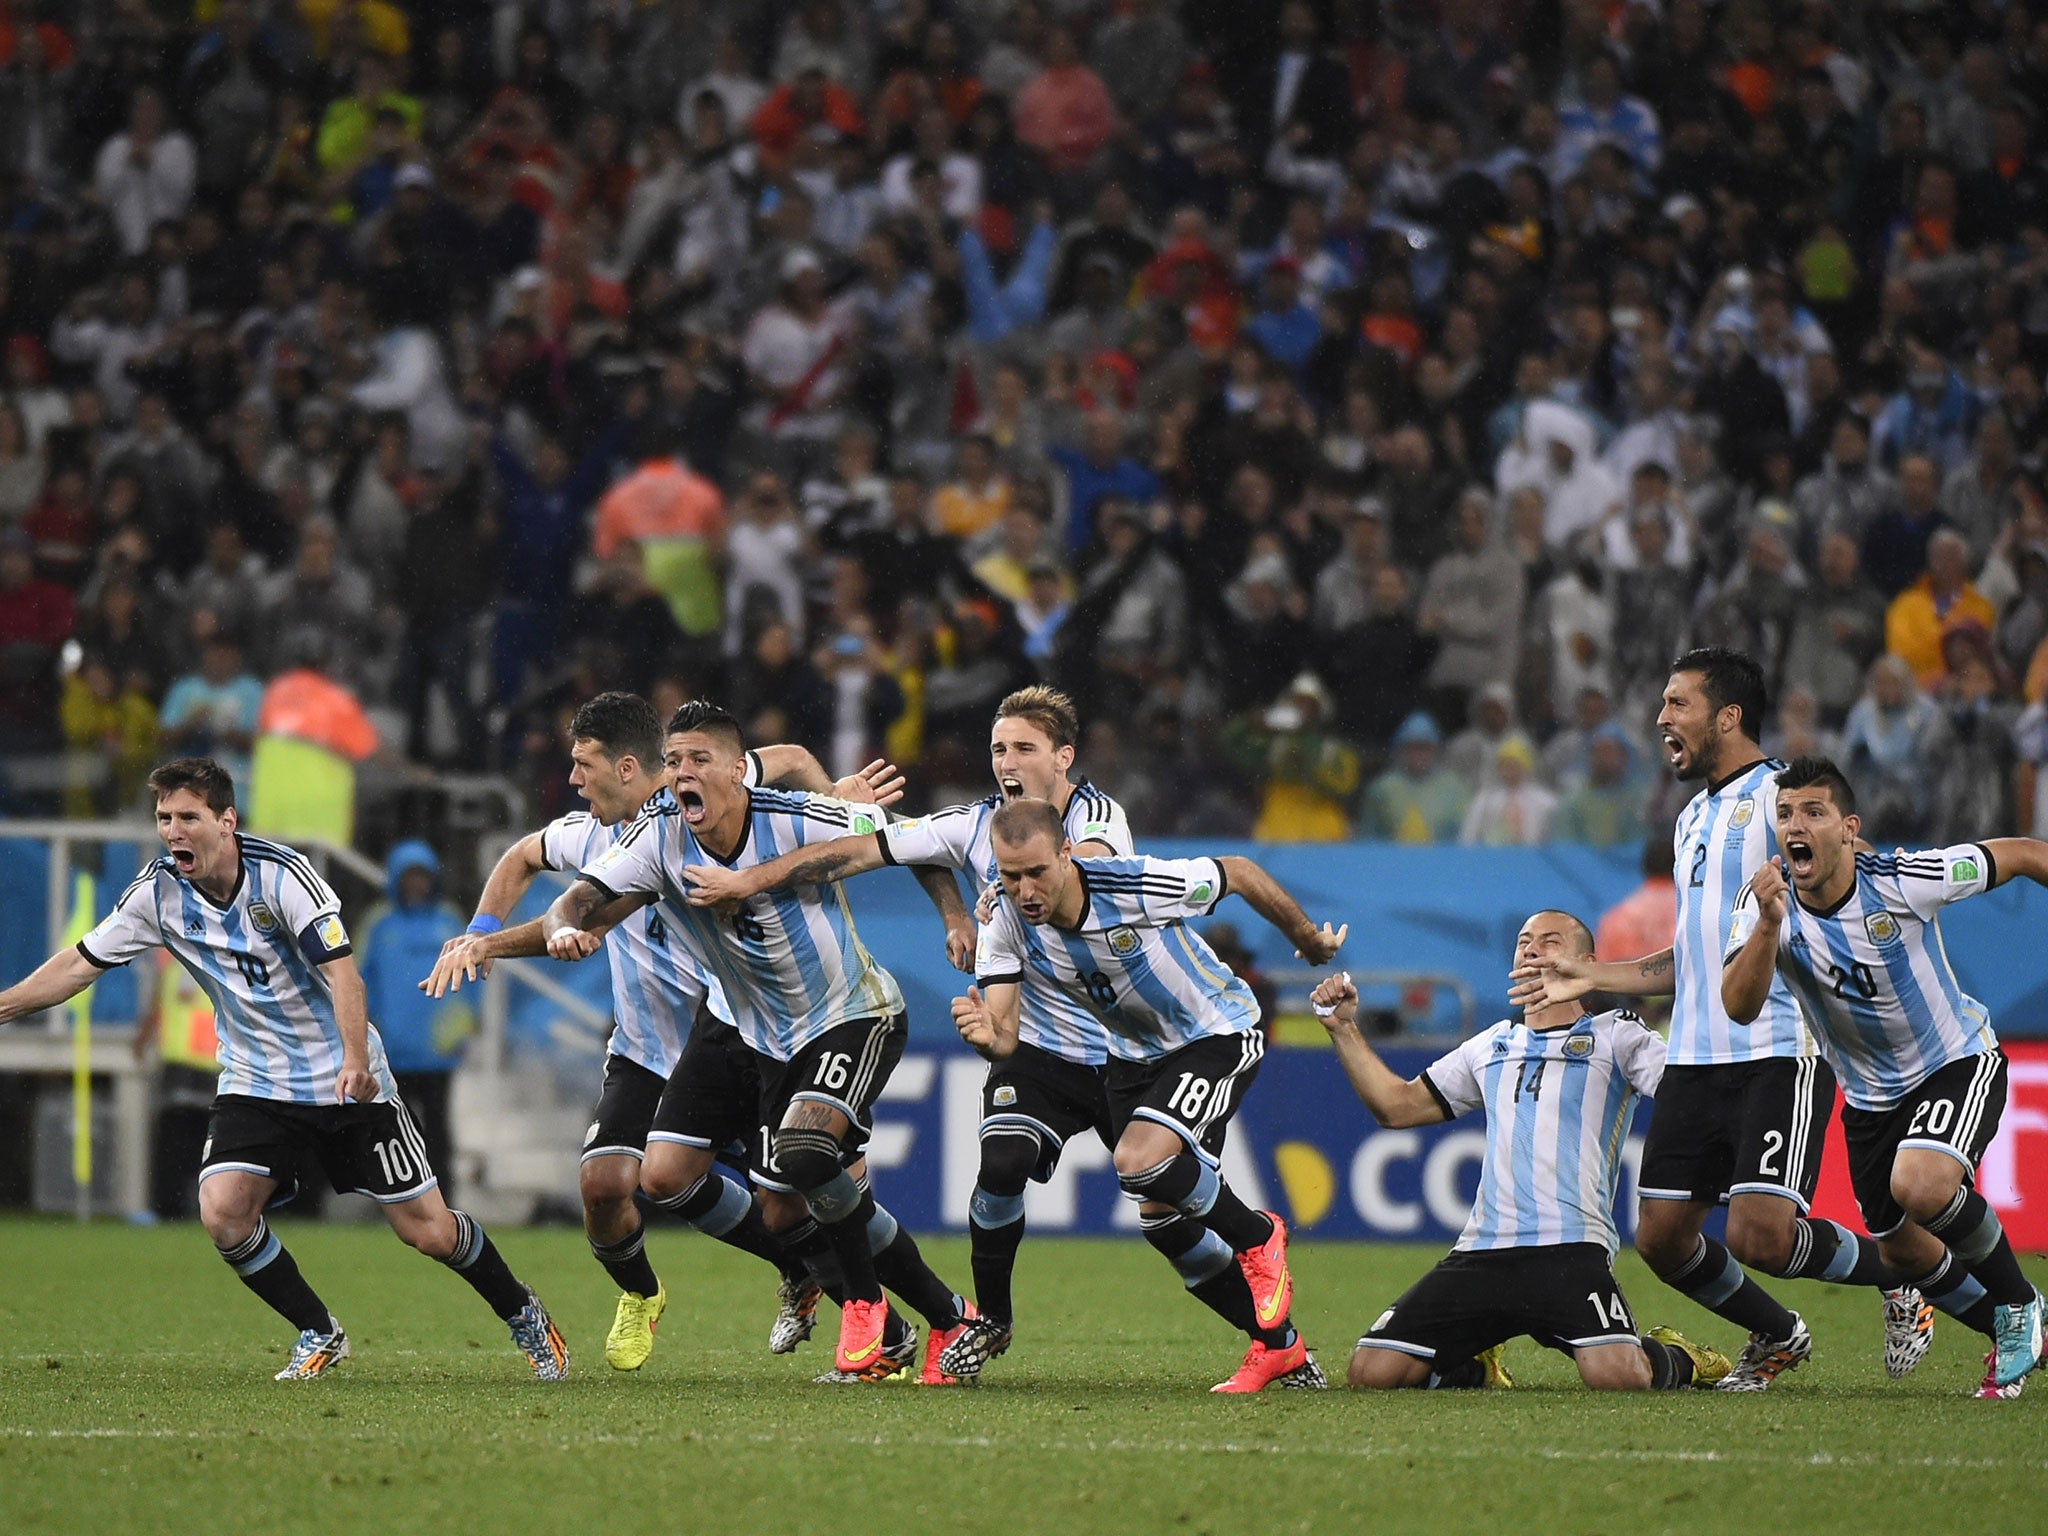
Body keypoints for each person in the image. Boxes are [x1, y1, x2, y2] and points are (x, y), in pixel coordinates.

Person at [0, 758, 567, 1382]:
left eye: (188, 817)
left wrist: (355, 1060)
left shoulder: (284, 878)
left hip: (343, 1075)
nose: (173, 832)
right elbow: (79, 965)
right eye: (164, 818)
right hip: (257, 1078)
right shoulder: (155, 894)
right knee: (222, 1211)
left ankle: (524, 1313)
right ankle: (318, 1332)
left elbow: (342, 974)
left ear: (226, 821)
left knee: (427, 1231)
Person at [422, 693, 912, 1372]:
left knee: (799, 1198)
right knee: (614, 1185)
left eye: (582, 764)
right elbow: (528, 865)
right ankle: (646, 1293)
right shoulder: (594, 837)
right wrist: (482, 936)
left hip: (738, 1032)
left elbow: (794, 760)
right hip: (649, 1048)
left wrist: (830, 808)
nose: (571, 781)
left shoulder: (709, 796)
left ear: (628, 767)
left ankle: (905, 1316)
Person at [674, 685, 1129, 1378]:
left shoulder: (1092, 820)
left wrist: (834, 802)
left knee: (1172, 1200)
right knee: (790, 1201)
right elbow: (888, 845)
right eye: (999, 747)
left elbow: (820, 782)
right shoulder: (646, 823)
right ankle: (950, 1319)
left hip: (1097, 1036)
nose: (1006, 760)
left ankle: (873, 1316)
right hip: (758, 1026)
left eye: (1023, 748)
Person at [1511, 648, 1927, 1389]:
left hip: (1777, 1045)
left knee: (1760, 1236)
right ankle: (1777, 1335)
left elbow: (1847, 881)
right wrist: (1590, 973)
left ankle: (1902, 1276)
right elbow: (1690, 956)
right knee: (1663, 1241)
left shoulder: (1784, 801)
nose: (1662, 718)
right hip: (1693, 1055)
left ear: (1727, 716)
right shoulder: (1692, 817)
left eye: (1678, 704)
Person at [542, 702, 972, 1386]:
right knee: (667, 1176)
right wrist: (567, 924)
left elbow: (914, 840)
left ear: (739, 771)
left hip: (849, 1014)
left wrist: (956, 918)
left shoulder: (797, 817)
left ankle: (871, 1308)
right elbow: (584, 895)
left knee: (808, 1164)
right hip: (750, 1030)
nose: (683, 773)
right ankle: (935, 1313)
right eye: (675, 761)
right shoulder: (658, 834)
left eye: (699, 760)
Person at [951, 797, 1347, 1392]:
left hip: (1216, 1031)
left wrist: (1308, 939)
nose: (1025, 888)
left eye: (1037, 871)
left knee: (1138, 1160)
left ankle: (1258, 1236)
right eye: (1011, 876)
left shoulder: (1134, 885)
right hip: (1133, 1058)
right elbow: (1005, 1035)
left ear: (1066, 853)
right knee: (1160, 1215)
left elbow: (1237, 871)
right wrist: (988, 1039)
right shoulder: (1003, 918)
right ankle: (1279, 1347)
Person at [1723, 755, 2046, 1397]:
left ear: (1848, 828)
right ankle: (2017, 1335)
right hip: (1870, 1101)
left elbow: (2025, 853)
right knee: (1902, 1253)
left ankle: (2022, 1306)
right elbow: (1739, 1004)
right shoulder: (1766, 904)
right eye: (1785, 813)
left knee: (1920, 1184)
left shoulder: (1903, 879)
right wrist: (1765, 924)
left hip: (1954, 1062)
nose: (1795, 825)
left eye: (1813, 812)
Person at [1318, 914, 1729, 1393]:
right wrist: (1342, 1028)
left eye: (1550, 941)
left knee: (1621, 1378)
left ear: (1587, 964)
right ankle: (1477, 1366)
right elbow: (1396, 1107)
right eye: (1524, 942)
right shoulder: (1491, 1044)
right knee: (1372, 1374)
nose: (1532, 949)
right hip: (1482, 1252)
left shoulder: (1616, 1036)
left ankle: (1677, 1353)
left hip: (1571, 1251)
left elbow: (1690, 1097)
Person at [355, 840, 470, 1193]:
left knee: (437, 1127)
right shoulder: (379, 925)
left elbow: (472, 981)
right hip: (393, 1049)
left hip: (437, 1051)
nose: (416, 884)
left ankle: (444, 1199)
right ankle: (397, 1197)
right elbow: (359, 980)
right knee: (393, 1131)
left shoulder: (449, 921)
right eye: (409, 876)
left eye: (422, 876)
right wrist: (370, 1031)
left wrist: (463, 1027)